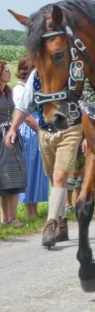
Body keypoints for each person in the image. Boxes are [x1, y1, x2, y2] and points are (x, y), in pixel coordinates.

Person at [5, 69, 82, 247]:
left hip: (70, 128)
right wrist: (13, 129)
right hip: (45, 131)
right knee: (54, 179)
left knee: (60, 176)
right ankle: (62, 222)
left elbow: (87, 103)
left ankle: (50, 225)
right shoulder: (36, 75)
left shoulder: (75, 71)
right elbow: (24, 106)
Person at [12, 55, 48, 218]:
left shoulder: (34, 87)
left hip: (38, 128)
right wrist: (40, 129)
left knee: (38, 170)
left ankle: (34, 208)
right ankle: (29, 210)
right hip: (29, 131)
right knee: (29, 170)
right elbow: (25, 115)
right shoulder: (19, 89)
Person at [0, 61, 26, 227]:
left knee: (15, 175)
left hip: (11, 136)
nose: (10, 73)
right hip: (1, 139)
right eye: (6, 71)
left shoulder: (8, 92)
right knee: (4, 177)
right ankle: (6, 219)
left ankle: (13, 218)